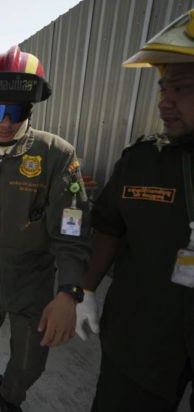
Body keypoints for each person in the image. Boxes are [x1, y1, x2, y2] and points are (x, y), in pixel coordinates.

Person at [0, 45, 91, 412]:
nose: (5, 121)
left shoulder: (57, 155)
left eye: (16, 110)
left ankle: (9, 394)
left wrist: (70, 291)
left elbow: (72, 231)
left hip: (32, 280)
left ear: (30, 110)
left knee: (30, 361)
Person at [76, 10, 194, 412]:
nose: (165, 103)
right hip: (141, 339)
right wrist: (86, 289)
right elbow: (109, 226)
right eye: (163, 88)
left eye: (182, 89)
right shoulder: (142, 161)